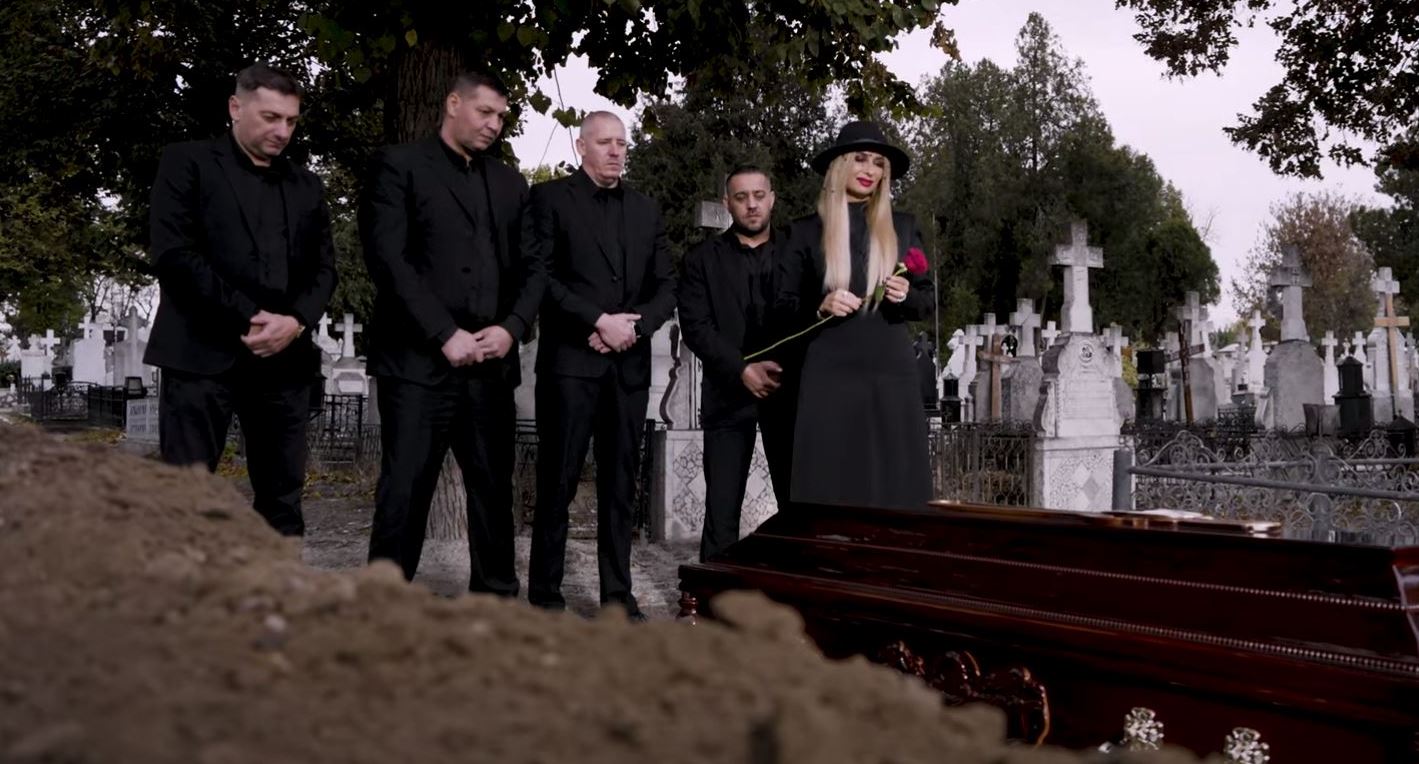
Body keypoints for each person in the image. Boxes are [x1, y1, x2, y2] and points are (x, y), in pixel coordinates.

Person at [360, 72, 542, 595]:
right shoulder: (398, 166)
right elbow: (388, 260)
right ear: (453, 103)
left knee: (494, 491)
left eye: (501, 117)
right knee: (404, 491)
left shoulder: (510, 183)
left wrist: (511, 328)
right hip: (417, 364)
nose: (494, 124)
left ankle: (496, 601)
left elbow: (534, 268)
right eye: (485, 112)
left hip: (491, 365)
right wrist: (443, 332)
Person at [145, 62, 337, 536]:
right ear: (235, 107)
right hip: (200, 355)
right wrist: (251, 315)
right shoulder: (186, 161)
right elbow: (174, 255)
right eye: (271, 117)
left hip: (284, 361)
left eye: (291, 121)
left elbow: (325, 270)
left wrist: (295, 321)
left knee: (283, 501)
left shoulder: (307, 184)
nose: (282, 131)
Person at [526, 112, 676, 618]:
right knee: (558, 482)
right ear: (581, 146)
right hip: (570, 366)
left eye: (622, 143)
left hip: (628, 369)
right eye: (605, 142)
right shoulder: (549, 200)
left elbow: (667, 285)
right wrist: (596, 320)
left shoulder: (645, 209)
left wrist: (636, 326)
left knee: (620, 487)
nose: (616, 151)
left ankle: (617, 596)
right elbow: (541, 277)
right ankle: (545, 595)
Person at [775, 121, 934, 509]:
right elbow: (781, 308)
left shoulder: (904, 227)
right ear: (840, 165)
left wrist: (905, 294)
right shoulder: (803, 232)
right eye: (860, 159)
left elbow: (927, 304)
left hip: (892, 372)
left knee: (896, 484)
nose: (869, 170)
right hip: (830, 372)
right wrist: (821, 305)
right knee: (831, 482)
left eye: (879, 163)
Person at [677, 165, 797, 562]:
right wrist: (742, 369)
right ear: (728, 203)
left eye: (759, 196)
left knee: (797, 507)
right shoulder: (701, 260)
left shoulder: (796, 251)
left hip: (788, 397)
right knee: (721, 511)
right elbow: (697, 327)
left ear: (772, 199)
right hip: (727, 396)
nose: (752, 205)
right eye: (742, 197)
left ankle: (793, 590)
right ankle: (716, 594)